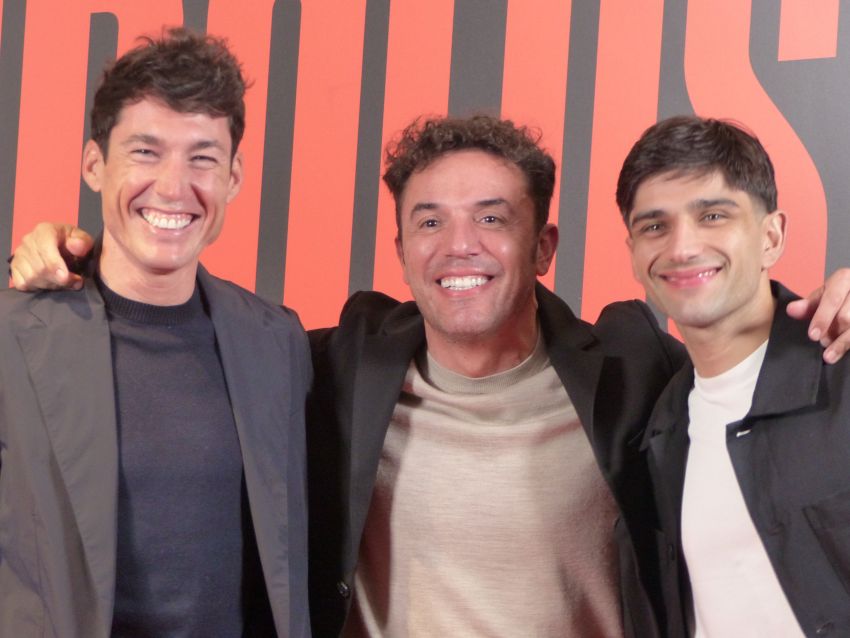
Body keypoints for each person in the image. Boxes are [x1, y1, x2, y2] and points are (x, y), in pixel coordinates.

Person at [12, 115, 850, 638]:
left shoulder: (635, 372)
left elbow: (743, 352)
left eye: (492, 219)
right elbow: (187, 337)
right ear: (402, 249)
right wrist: (79, 263)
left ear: (543, 248)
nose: (460, 248)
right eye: (429, 223)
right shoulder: (336, 363)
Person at [0, 29, 311, 637]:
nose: (173, 186)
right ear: (95, 164)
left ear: (234, 177)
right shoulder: (13, 338)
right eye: (145, 151)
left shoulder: (279, 343)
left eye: (202, 158)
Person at [617, 115, 850, 637]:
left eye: (713, 216)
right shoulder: (660, 432)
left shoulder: (843, 369)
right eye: (654, 226)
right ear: (633, 254)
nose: (681, 247)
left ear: (771, 236)